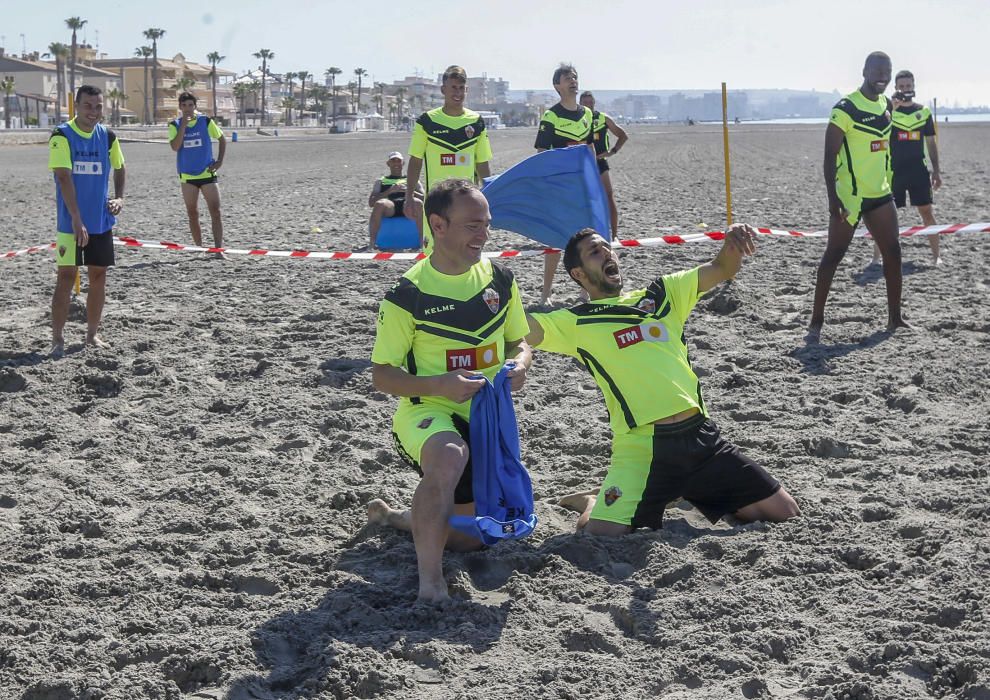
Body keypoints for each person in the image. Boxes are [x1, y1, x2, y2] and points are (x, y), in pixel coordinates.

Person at [525, 228, 800, 535]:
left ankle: (692, 490)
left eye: (607, 247)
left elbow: (722, 268)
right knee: (596, 535)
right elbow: (520, 329)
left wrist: (732, 244)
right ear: (578, 273)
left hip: (701, 440)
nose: (607, 253)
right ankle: (593, 500)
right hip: (643, 448)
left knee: (785, 513)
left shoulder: (662, 294)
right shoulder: (576, 321)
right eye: (595, 252)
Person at [368, 179, 532, 602]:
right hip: (430, 413)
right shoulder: (407, 294)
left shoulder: (500, 279)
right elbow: (382, 376)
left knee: (470, 539)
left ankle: (400, 518)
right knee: (448, 455)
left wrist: (521, 364)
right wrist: (440, 384)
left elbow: (521, 340)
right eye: (473, 226)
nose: (485, 235)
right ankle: (431, 585)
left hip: (487, 418)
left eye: (487, 225)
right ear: (438, 225)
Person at [809, 51, 908, 340]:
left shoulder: (886, 104)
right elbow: (829, 156)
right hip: (850, 197)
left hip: (879, 193)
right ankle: (816, 320)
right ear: (864, 71)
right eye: (877, 70)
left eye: (886, 71)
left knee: (894, 252)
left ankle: (895, 318)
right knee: (834, 256)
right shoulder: (846, 108)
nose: (882, 76)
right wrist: (832, 199)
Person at [48, 85, 125, 358]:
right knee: (66, 278)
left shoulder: (108, 136)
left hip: (101, 222)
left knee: (98, 277)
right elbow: (64, 178)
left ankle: (92, 335)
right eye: (87, 106)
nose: (93, 112)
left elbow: (120, 167)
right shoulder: (61, 136)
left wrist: (119, 198)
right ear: (76, 106)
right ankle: (57, 338)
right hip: (70, 223)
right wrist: (76, 219)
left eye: (98, 106)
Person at [404, 65, 492, 253]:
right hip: (436, 203)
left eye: (461, 88)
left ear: (466, 90)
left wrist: (490, 194)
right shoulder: (427, 121)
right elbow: (415, 161)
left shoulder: (476, 122)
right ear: (443, 90)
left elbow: (482, 164)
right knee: (434, 255)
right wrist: (409, 196)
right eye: (453, 87)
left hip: (467, 202)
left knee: (467, 254)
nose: (457, 92)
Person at [535, 64, 596, 305]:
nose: (573, 80)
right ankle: (546, 294)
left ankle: (585, 292)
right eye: (567, 78)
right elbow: (541, 152)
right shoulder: (551, 116)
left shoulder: (587, 115)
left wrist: (592, 179)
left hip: (582, 187)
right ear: (557, 86)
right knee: (554, 240)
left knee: (586, 240)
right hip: (559, 188)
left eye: (575, 77)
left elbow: (590, 149)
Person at [871, 70, 942, 265]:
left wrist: (936, 171)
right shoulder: (887, 111)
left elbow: (931, 143)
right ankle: (876, 258)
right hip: (894, 171)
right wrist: (891, 110)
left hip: (918, 170)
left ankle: (937, 257)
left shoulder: (924, 112)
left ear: (914, 87)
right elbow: (878, 133)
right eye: (901, 87)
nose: (905, 90)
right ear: (895, 89)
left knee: (927, 212)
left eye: (908, 86)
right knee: (886, 215)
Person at [168, 91, 226, 254]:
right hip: (187, 177)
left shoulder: (205, 121)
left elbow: (222, 138)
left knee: (215, 211)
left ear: (195, 106)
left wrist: (220, 160)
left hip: (207, 174)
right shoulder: (174, 125)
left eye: (190, 105)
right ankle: (199, 248)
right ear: (180, 107)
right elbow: (175, 147)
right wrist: (184, 127)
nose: (187, 109)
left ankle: (218, 249)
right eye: (184, 105)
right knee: (192, 213)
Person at [580, 90, 628, 238]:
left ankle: (614, 235)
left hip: (600, 162)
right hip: (582, 164)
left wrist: (612, 151)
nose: (589, 105)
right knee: (584, 199)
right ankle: (585, 234)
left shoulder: (602, 118)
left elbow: (623, 136)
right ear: (580, 103)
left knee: (609, 195)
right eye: (585, 103)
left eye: (591, 102)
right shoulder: (576, 119)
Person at [369, 151, 424, 248]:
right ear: (388, 164)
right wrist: (389, 191)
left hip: (408, 206)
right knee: (380, 203)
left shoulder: (412, 180)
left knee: (417, 202)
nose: (396, 163)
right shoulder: (381, 181)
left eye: (398, 161)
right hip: (390, 207)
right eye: (393, 161)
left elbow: (424, 198)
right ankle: (372, 244)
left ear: (403, 163)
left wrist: (409, 191)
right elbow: (371, 202)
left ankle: (421, 242)